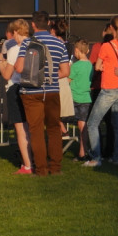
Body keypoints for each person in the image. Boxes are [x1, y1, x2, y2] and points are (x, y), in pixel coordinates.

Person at [15, 11, 71, 177]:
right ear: (49, 23)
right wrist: (50, 76)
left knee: (36, 130)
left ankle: (40, 169)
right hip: (52, 91)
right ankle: (55, 168)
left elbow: (18, 68)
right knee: (54, 129)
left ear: (33, 25)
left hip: (31, 92)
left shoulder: (28, 43)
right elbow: (66, 71)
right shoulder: (59, 44)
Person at [84, 16, 118, 168]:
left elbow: (98, 66)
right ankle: (117, 158)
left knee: (92, 123)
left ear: (111, 28)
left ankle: (96, 157)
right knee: (117, 124)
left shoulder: (107, 46)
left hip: (109, 88)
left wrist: (106, 66)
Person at [0, 19, 33, 173]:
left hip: (15, 89)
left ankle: (27, 164)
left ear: (16, 32)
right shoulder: (35, 46)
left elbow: (6, 75)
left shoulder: (14, 50)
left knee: (20, 128)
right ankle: (34, 160)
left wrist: (0, 61)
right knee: (32, 128)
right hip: (32, 88)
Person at [69, 39, 94, 162]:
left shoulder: (75, 65)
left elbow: (68, 79)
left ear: (77, 51)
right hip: (86, 98)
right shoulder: (90, 65)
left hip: (74, 97)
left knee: (60, 118)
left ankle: (66, 136)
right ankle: (83, 151)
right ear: (88, 51)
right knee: (83, 126)